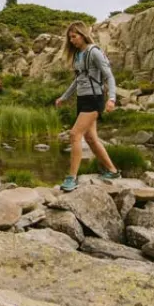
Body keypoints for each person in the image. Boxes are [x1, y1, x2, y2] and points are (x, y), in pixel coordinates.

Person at [54, 21, 120, 192]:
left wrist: (112, 99)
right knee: (91, 139)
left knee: (75, 135)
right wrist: (64, 97)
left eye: (74, 37)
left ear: (83, 35)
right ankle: (113, 171)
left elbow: (110, 77)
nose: (72, 40)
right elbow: (79, 79)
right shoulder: (78, 55)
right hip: (82, 100)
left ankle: (72, 178)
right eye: (70, 38)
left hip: (94, 99)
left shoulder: (94, 52)